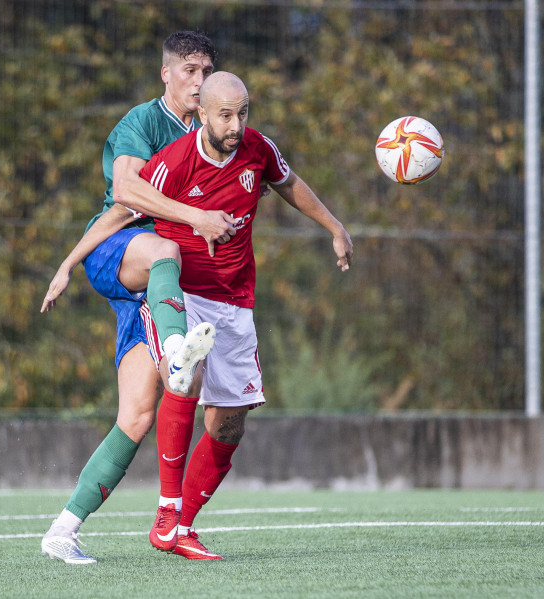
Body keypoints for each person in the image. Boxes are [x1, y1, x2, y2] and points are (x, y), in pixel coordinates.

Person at [50, 71, 353, 559]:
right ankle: (166, 508)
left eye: (243, 113)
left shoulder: (258, 149)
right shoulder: (175, 159)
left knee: (229, 423)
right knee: (182, 378)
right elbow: (122, 210)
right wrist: (67, 262)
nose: (235, 125)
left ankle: (182, 527)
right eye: (225, 115)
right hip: (182, 296)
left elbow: (289, 182)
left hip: (234, 302)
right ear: (204, 115)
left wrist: (335, 226)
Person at [39, 31, 235, 565]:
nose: (199, 81)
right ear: (166, 75)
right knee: (167, 248)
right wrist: (73, 260)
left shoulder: (214, 130)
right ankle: (178, 351)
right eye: (190, 71)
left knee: (136, 416)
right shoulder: (142, 123)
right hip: (124, 252)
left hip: (152, 288)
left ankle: (62, 529)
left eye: (206, 71)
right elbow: (124, 195)